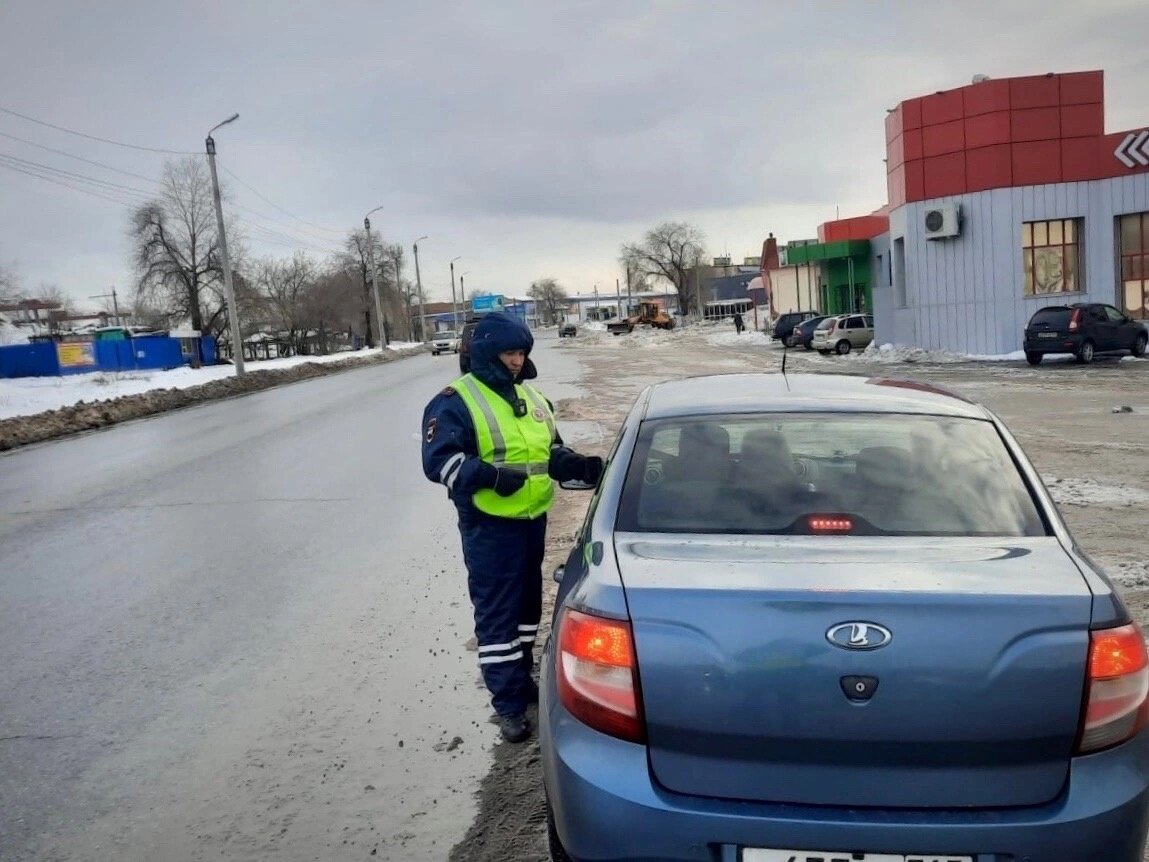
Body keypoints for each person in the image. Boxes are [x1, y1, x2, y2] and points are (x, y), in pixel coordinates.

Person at [420, 312, 603, 743]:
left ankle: (521, 681)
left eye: (522, 352)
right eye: (510, 353)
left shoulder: (533, 398)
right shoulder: (455, 400)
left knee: (526, 610)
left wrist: (576, 464)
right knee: (498, 614)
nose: (518, 361)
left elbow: (549, 451)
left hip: (531, 520)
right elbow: (439, 463)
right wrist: (488, 477)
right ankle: (507, 705)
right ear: (487, 353)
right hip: (489, 524)